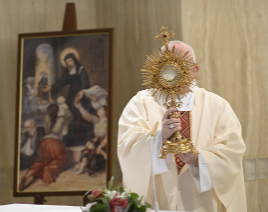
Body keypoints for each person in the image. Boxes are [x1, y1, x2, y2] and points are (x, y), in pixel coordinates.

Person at [118, 41, 247, 212]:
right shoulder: (140, 103)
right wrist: (158, 137)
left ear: (195, 70)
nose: (175, 70)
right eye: (168, 64)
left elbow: (232, 151)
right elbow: (127, 147)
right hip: (158, 200)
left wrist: (200, 159)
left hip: (201, 201)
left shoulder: (217, 105)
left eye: (182, 64)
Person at [19, 104, 70, 190]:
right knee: (58, 161)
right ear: (58, 111)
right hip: (56, 143)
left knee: (40, 162)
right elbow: (69, 117)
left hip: (44, 142)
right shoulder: (62, 119)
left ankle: (27, 176)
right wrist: (67, 109)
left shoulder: (47, 118)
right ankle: (47, 170)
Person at [51, 53, 95, 146]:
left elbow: (85, 81)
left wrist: (82, 91)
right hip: (71, 96)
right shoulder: (68, 71)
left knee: (80, 115)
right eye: (67, 62)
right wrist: (51, 88)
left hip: (80, 96)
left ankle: (83, 139)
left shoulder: (80, 69)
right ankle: (73, 139)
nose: (69, 63)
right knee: (71, 116)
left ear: (74, 60)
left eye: (70, 61)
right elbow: (61, 82)